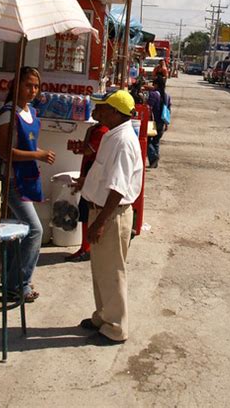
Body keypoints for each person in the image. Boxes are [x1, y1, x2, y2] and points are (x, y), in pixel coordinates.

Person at [76, 90, 143, 345]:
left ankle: (116, 328)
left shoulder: (123, 141)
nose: (97, 112)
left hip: (111, 215)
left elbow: (118, 188)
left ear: (115, 112)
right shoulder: (112, 135)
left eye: (102, 108)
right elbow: (106, 176)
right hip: (103, 210)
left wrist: (100, 223)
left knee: (112, 272)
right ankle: (102, 317)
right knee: (101, 271)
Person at [0, 66, 55, 303]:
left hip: (27, 180)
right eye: (28, 85)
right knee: (35, 230)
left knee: (21, 233)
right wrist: (37, 156)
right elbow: (5, 152)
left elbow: (25, 147)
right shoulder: (9, 114)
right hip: (12, 180)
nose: (32, 90)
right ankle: (20, 284)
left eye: (36, 86)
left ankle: (11, 283)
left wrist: (39, 153)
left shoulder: (31, 112)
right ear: (16, 86)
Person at [65, 107, 109, 262]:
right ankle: (85, 247)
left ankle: (86, 248)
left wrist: (79, 147)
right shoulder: (97, 129)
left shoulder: (101, 131)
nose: (94, 111)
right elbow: (86, 149)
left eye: (98, 109)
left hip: (92, 173)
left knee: (86, 212)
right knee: (85, 212)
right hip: (88, 171)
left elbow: (89, 151)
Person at [147, 78, 171, 168]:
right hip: (162, 121)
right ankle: (154, 163)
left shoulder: (153, 95)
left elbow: (149, 108)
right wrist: (167, 124)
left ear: (156, 85)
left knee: (148, 141)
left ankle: (154, 157)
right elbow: (168, 110)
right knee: (156, 142)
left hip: (153, 122)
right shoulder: (167, 96)